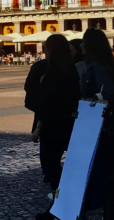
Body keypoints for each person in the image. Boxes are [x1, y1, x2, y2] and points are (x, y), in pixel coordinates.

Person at [24, 34, 80, 198]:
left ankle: (60, 198)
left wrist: (39, 128)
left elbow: (45, 102)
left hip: (52, 125)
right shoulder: (72, 70)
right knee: (66, 163)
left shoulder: (49, 71)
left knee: (51, 166)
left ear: (49, 50)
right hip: (70, 122)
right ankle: (63, 195)